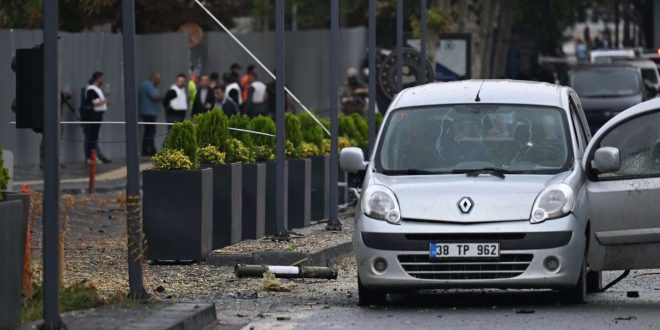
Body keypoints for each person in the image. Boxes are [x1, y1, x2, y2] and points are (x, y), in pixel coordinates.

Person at [82, 71, 112, 164]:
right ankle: (90, 157)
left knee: (94, 136)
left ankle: (93, 156)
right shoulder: (91, 89)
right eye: (101, 78)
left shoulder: (96, 89)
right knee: (92, 136)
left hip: (98, 115)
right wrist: (103, 102)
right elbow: (89, 103)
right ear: (97, 78)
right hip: (93, 115)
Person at [138, 73, 163, 156]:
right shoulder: (148, 85)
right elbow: (155, 97)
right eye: (158, 80)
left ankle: (147, 149)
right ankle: (150, 150)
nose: (159, 82)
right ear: (154, 78)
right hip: (148, 113)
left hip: (150, 112)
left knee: (148, 131)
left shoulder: (149, 85)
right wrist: (165, 97)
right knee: (150, 131)